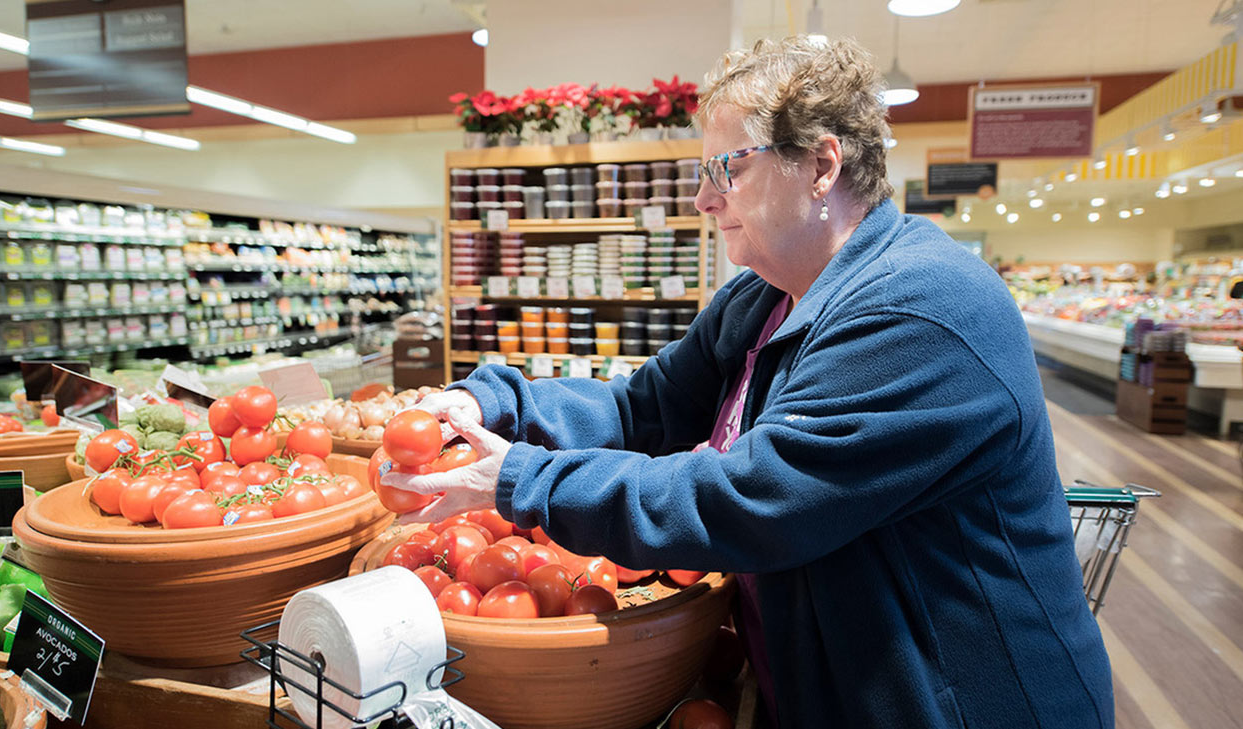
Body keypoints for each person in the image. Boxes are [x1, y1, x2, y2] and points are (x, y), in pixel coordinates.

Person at [382, 36, 1113, 729]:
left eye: (726, 168)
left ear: (823, 165)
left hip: (952, 701)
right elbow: (649, 403)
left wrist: (526, 478)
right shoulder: (767, 293)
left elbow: (754, 498)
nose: (704, 200)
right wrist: (494, 401)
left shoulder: (921, 307)